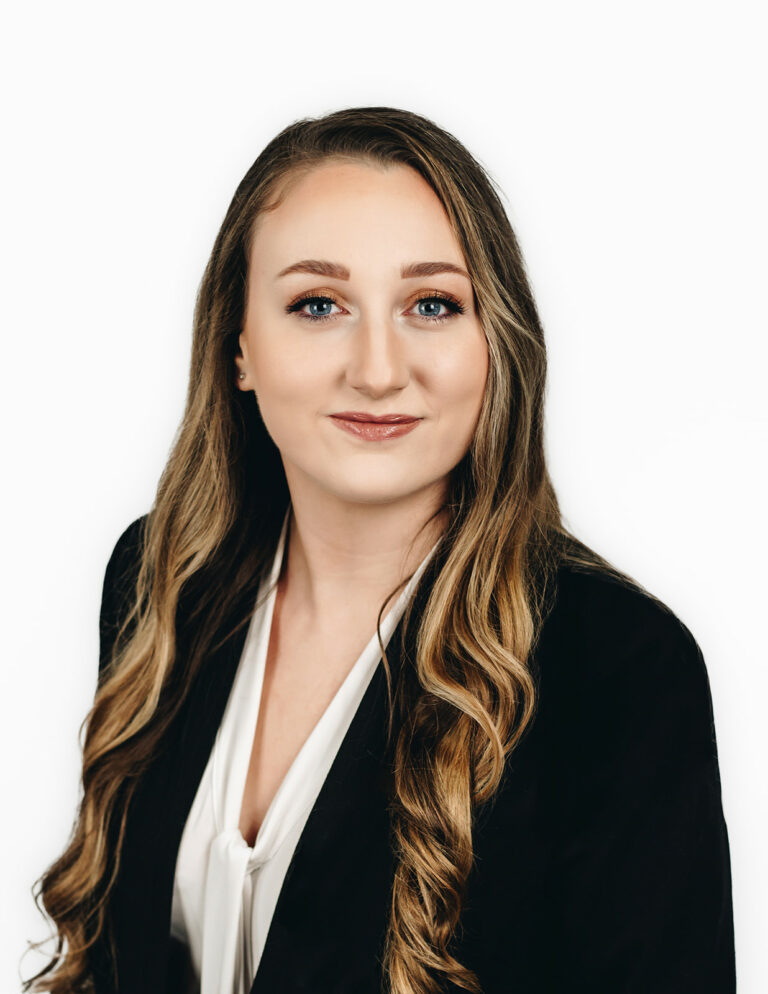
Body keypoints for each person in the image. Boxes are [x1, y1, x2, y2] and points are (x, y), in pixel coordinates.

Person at [24, 106, 736, 994]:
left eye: (431, 305)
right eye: (317, 305)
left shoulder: (619, 667)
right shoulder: (161, 578)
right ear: (239, 348)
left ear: (495, 342)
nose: (377, 370)